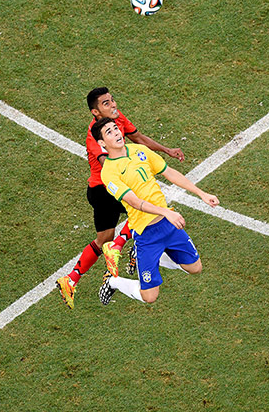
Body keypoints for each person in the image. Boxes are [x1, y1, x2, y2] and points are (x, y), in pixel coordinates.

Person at [56, 87, 185, 309]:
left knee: (102, 240)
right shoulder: (94, 136)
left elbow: (138, 138)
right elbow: (110, 167)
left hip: (101, 189)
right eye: (106, 103)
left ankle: (70, 280)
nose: (113, 105)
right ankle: (126, 245)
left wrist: (166, 150)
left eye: (112, 100)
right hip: (106, 189)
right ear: (95, 112)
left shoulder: (116, 121)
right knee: (148, 209)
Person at [91, 117, 219, 305]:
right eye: (109, 132)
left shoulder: (140, 151)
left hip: (168, 225)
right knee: (149, 296)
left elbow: (169, 172)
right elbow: (134, 202)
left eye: (115, 128)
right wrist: (166, 212)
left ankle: (159, 256)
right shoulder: (109, 173)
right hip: (146, 234)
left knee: (195, 268)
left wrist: (201, 193)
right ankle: (113, 281)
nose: (117, 133)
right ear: (102, 143)